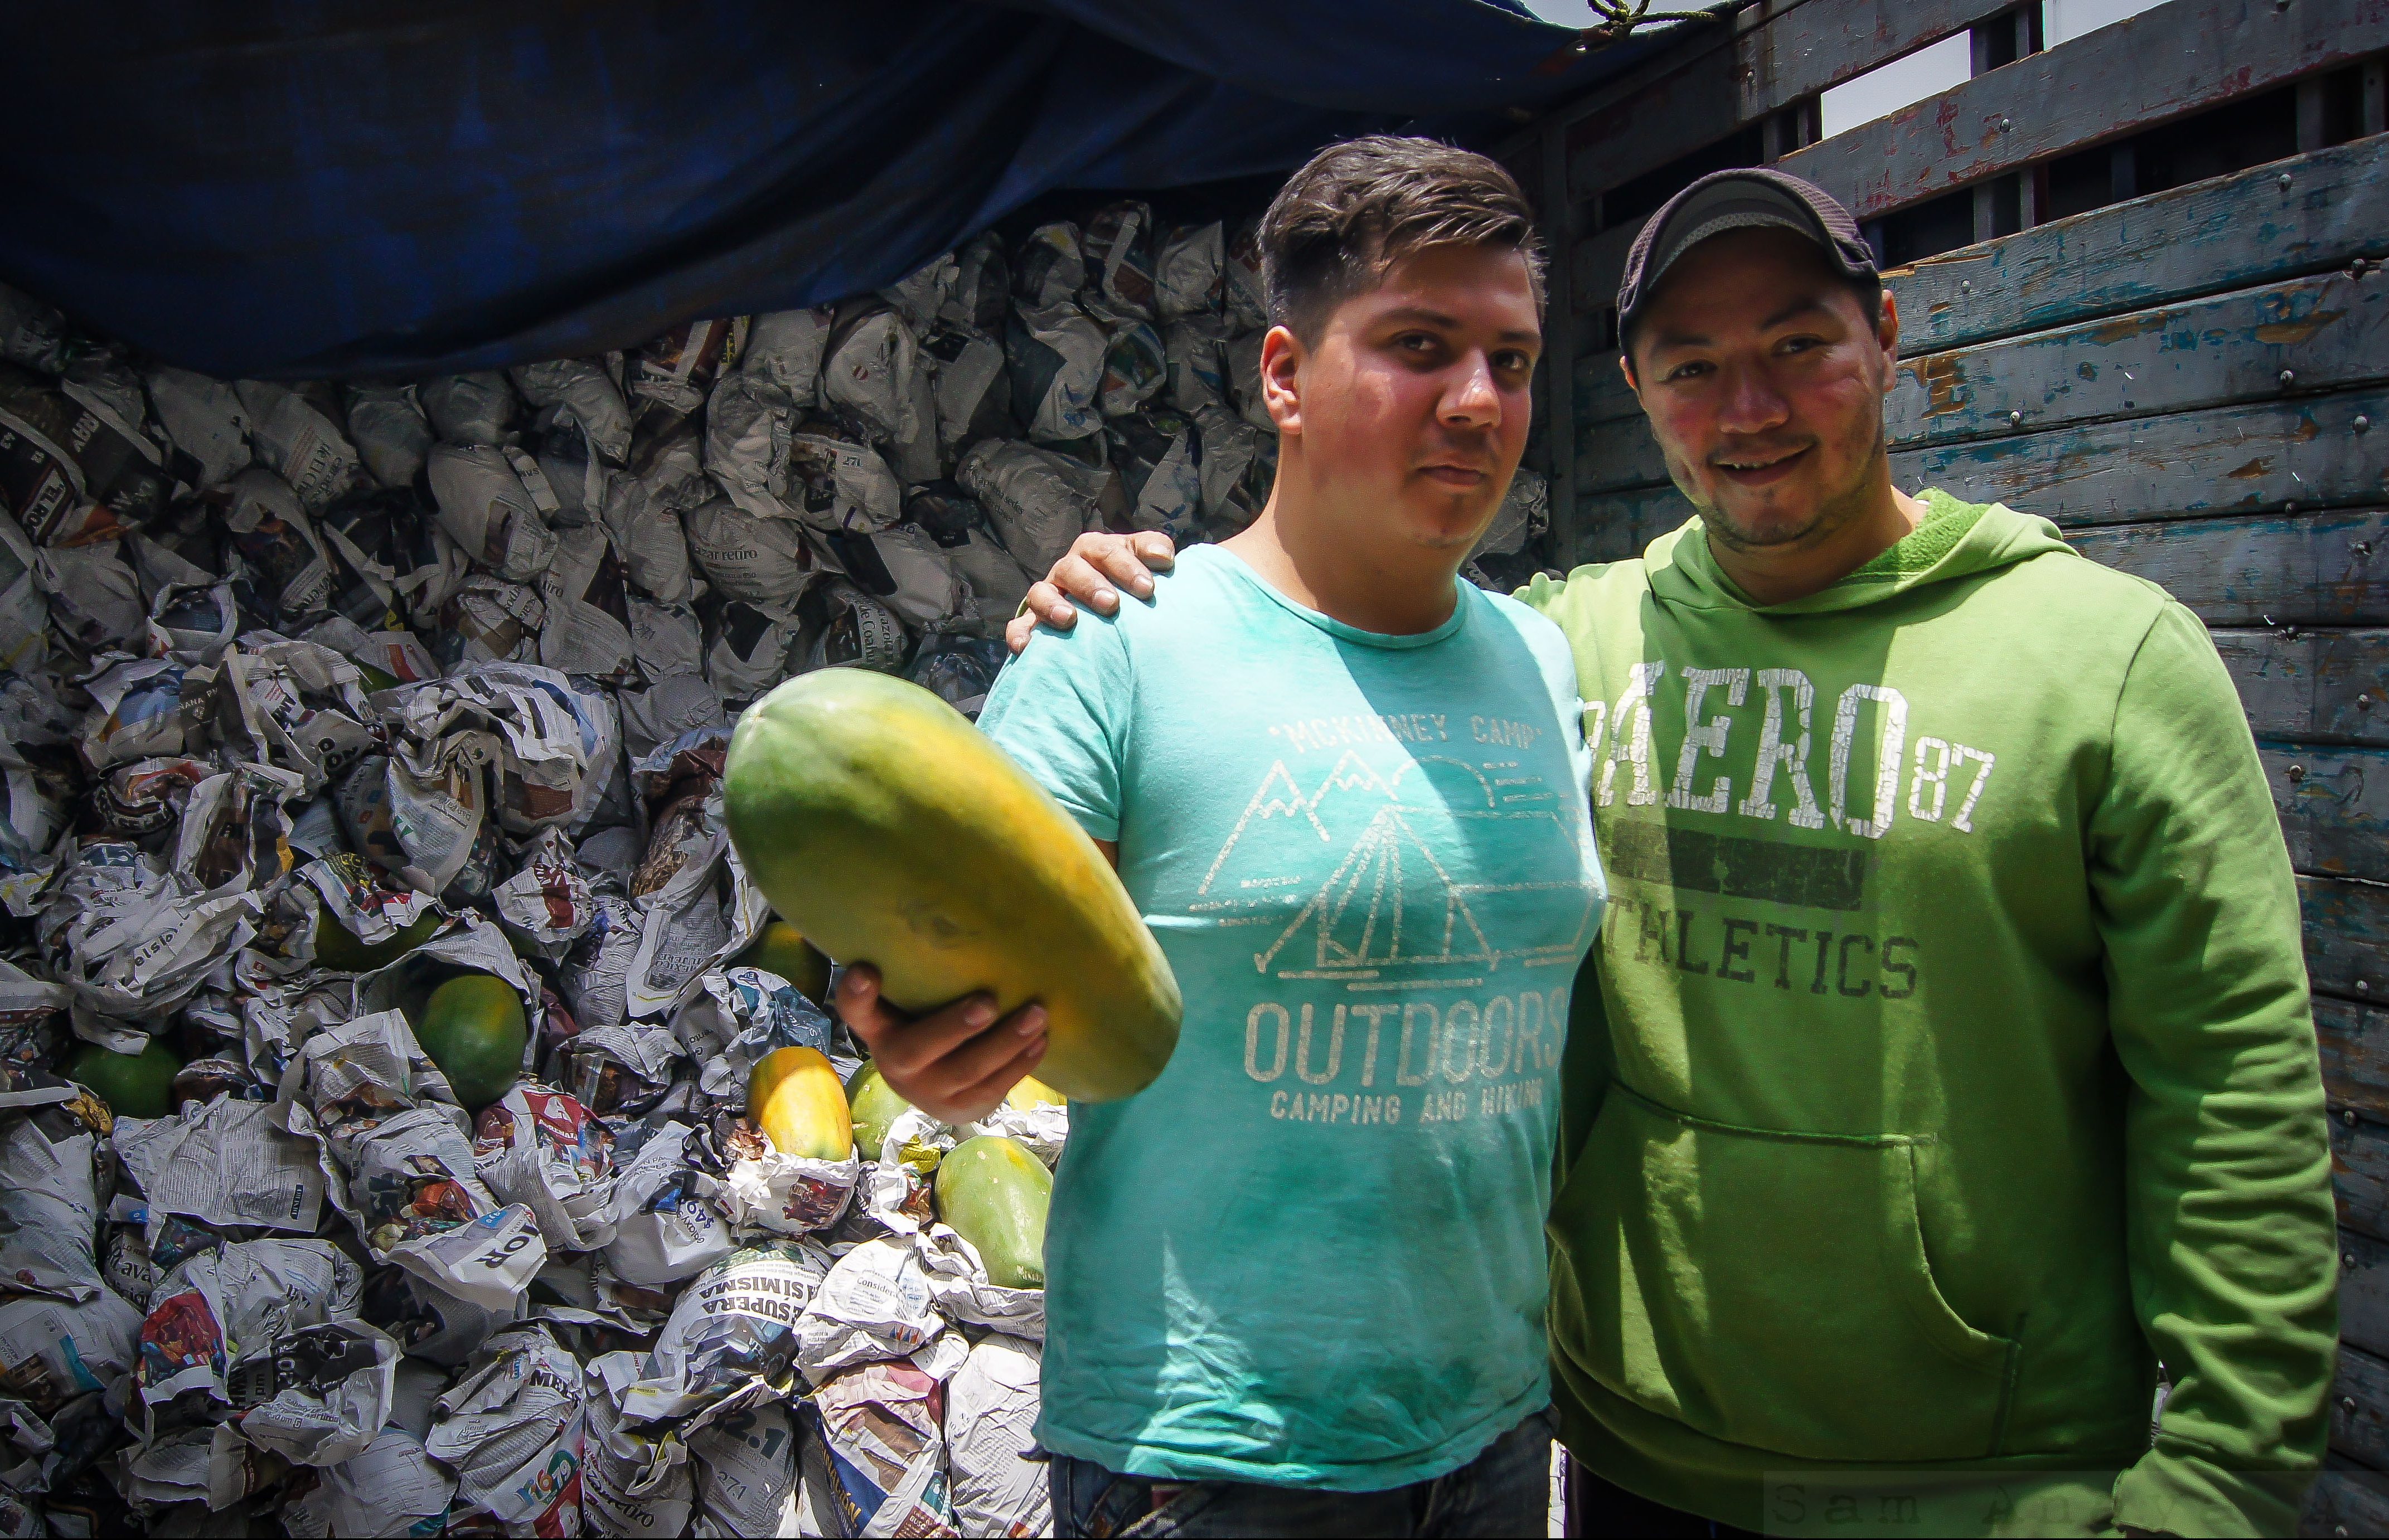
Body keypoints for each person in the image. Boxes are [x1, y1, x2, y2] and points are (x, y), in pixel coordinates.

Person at [1006, 166, 2340, 1538]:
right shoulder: (1566, 644)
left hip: (1988, 1485)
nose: (1746, 409)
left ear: (1885, 335)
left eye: (1796, 347)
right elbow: (1335, 640)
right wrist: (1123, 593)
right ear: (1637, 393)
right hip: (1626, 1460)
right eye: (1690, 365)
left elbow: (2233, 1086)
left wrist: (2223, 1485)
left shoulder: (2104, 659)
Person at [836, 135, 1606, 1537]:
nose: (1478, 400)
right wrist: (915, 1038)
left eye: (1512, 356)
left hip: (1493, 1425)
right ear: (1282, 375)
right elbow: (949, 970)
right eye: (1418, 345)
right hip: (1210, 1455)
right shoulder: (1113, 644)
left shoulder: (1545, 663)